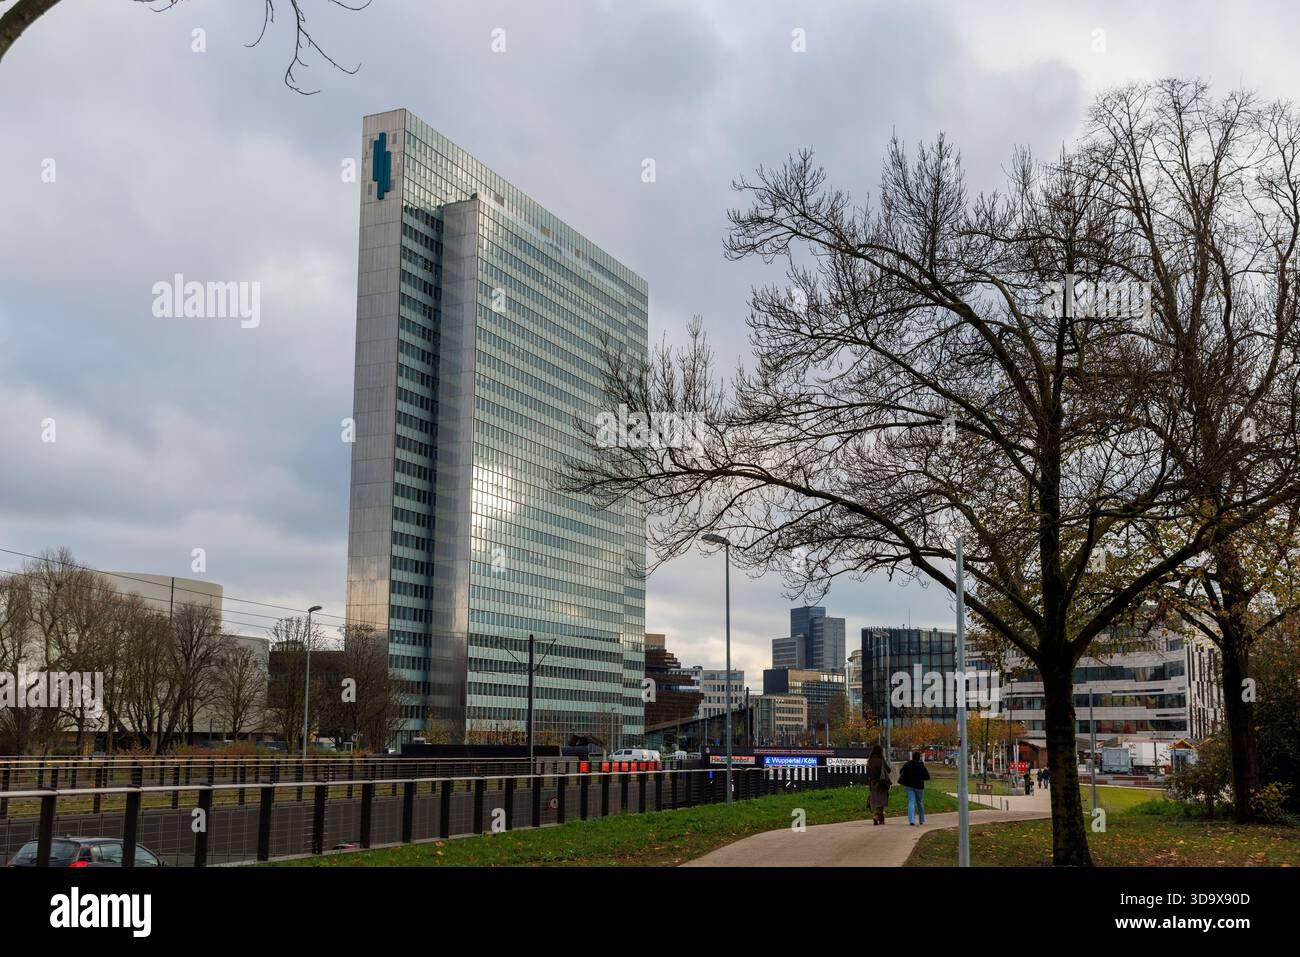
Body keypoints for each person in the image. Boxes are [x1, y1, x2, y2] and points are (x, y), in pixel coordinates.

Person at [898, 750, 931, 826]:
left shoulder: (907, 764)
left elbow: (901, 772)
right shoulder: (921, 766)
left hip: (909, 786)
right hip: (919, 787)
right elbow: (927, 776)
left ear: (912, 757)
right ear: (919, 757)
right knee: (919, 802)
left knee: (911, 802)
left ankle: (911, 820)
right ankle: (921, 820)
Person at [866, 744, 892, 825]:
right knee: (882, 801)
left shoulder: (869, 761)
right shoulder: (881, 761)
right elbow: (888, 770)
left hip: (873, 783)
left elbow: (868, 774)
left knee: (877, 801)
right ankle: (877, 816)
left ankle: (881, 819)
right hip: (881, 783)